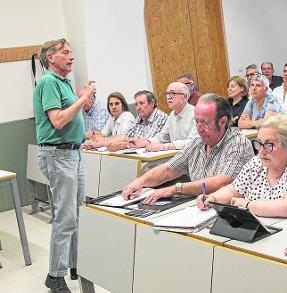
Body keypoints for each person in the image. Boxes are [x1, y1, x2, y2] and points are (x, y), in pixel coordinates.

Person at [34, 38, 96, 293]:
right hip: (59, 155)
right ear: (51, 57)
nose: (72, 57)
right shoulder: (48, 82)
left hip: (73, 153)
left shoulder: (64, 83)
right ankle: (54, 275)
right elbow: (58, 121)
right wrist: (82, 99)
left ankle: (75, 265)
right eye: (66, 53)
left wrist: (82, 99)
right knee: (66, 216)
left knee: (78, 213)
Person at [122, 93, 254, 203]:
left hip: (226, 208)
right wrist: (139, 182)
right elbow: (168, 170)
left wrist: (176, 188)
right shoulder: (197, 143)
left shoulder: (238, 142)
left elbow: (221, 182)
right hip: (198, 205)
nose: (199, 127)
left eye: (205, 122)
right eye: (196, 121)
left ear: (223, 121)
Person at [197, 114, 287, 217]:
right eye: (259, 143)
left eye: (269, 145)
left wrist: (247, 205)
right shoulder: (257, 162)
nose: (261, 151)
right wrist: (213, 198)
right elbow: (233, 191)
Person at [84, 90, 168, 151]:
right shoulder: (140, 118)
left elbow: (146, 141)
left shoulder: (160, 117)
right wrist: (95, 143)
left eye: (141, 103)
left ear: (152, 103)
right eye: (136, 104)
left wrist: (123, 144)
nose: (138, 107)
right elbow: (124, 137)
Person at [129, 82, 198, 151]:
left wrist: (165, 146)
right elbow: (163, 136)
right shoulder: (172, 115)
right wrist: (146, 142)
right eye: (167, 94)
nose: (168, 97)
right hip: (177, 156)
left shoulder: (196, 114)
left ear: (185, 97)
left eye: (173, 93)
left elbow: (193, 141)